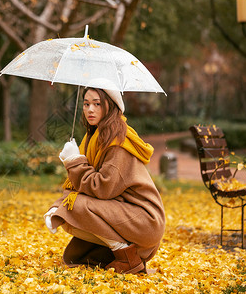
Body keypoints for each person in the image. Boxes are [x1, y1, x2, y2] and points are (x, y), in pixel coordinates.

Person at [44, 78, 165, 274]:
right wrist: (73, 163)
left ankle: (127, 257)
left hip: (145, 220)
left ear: (111, 106)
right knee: (68, 206)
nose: (90, 109)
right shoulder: (95, 136)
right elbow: (83, 186)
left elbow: (102, 188)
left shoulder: (118, 140)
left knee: (75, 205)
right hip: (126, 213)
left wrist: (75, 161)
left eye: (97, 104)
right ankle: (122, 254)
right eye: (86, 104)